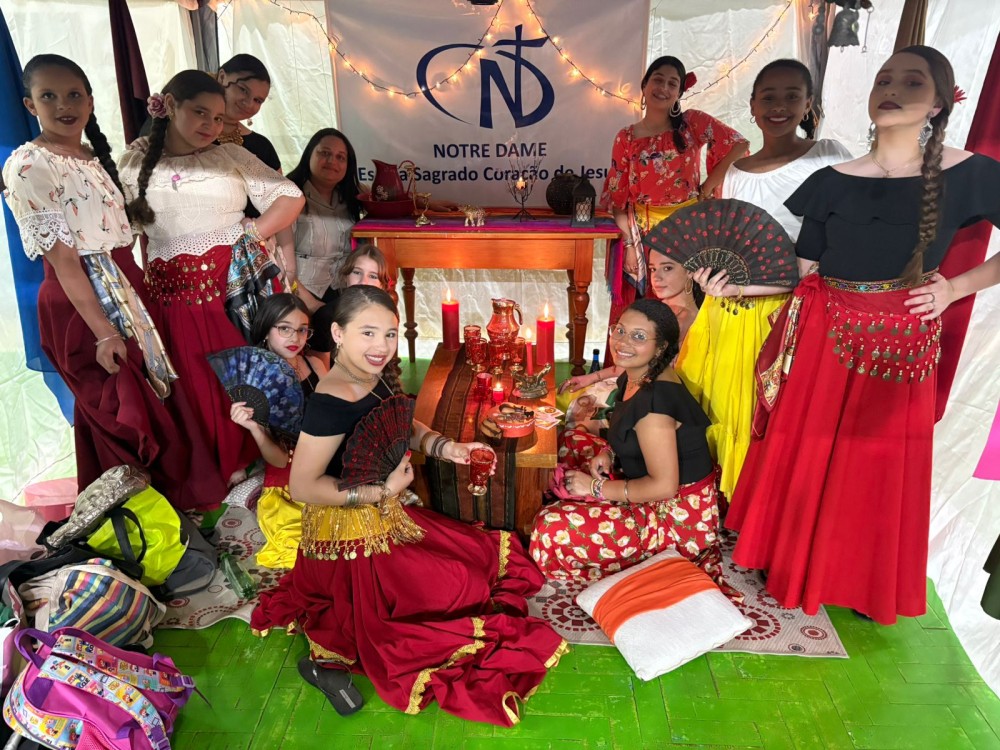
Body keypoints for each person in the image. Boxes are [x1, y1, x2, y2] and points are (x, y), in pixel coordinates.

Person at [727, 46, 1000, 624]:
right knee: (810, 452)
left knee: (877, 463)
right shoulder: (831, 181)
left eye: (911, 82)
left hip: (901, 340)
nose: (891, 89)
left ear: (939, 102)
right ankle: (795, 566)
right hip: (824, 334)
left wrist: (954, 289)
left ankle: (863, 583)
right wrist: (738, 286)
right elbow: (801, 275)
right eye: (883, 79)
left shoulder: (969, 173)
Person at [250, 286, 566, 725]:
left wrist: (449, 448)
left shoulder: (369, 373)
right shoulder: (330, 401)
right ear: (338, 333)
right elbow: (303, 486)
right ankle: (329, 663)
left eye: (389, 334)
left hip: (386, 513)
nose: (381, 346)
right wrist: (383, 491)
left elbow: (400, 421)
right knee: (460, 589)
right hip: (348, 538)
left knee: (474, 565)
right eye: (367, 333)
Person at [1, 55, 226, 508]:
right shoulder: (29, 164)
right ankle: (129, 514)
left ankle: (163, 509)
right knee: (120, 410)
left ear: (90, 101)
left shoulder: (91, 157)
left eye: (74, 95)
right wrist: (104, 332)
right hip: (81, 302)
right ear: (30, 105)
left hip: (126, 286)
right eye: (49, 96)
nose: (64, 105)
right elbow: (64, 262)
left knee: (155, 398)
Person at [118, 70, 304, 493]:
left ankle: (247, 456)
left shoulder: (229, 156)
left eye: (218, 117)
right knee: (190, 382)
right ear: (169, 105)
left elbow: (291, 197)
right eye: (200, 112)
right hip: (170, 293)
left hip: (231, 290)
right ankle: (209, 466)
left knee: (235, 376)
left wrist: (252, 233)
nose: (211, 125)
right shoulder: (135, 160)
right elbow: (122, 231)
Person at [676, 59, 852, 501]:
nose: (779, 106)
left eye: (792, 96)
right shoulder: (737, 171)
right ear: (752, 105)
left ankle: (759, 508)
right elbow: (733, 238)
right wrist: (709, 274)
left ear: (808, 104)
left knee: (769, 410)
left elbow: (842, 236)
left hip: (791, 310)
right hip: (729, 308)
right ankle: (716, 503)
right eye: (768, 97)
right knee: (719, 403)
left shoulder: (828, 155)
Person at [529, 299, 736, 599]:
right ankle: (582, 499)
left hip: (672, 520)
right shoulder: (637, 373)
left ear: (661, 347)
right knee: (571, 440)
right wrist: (610, 453)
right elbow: (628, 430)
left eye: (639, 336)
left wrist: (596, 488)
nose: (623, 342)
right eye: (620, 330)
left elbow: (664, 487)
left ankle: (608, 528)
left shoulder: (655, 408)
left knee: (549, 528)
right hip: (648, 484)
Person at [601, 55, 748, 363]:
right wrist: (629, 245)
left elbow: (738, 145)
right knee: (644, 311)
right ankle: (634, 376)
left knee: (687, 307)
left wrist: (707, 187)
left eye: (672, 83)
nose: (664, 88)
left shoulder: (692, 123)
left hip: (688, 235)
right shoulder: (626, 137)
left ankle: (683, 375)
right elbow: (618, 198)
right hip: (643, 235)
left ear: (679, 93)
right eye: (658, 79)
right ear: (644, 85)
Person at [230, 293, 328, 569]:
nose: (295, 337)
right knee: (306, 547)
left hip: (326, 463)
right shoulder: (254, 381)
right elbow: (278, 460)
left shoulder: (315, 365)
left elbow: (334, 418)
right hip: (288, 478)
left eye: (302, 329)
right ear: (266, 330)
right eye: (284, 328)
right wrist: (254, 429)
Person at [286, 128, 364, 311]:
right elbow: (278, 261)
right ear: (309, 155)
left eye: (340, 157)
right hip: (300, 297)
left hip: (343, 292)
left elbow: (388, 199)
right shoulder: (289, 195)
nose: (332, 162)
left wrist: (426, 203)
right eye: (325, 153)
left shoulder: (351, 195)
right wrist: (311, 304)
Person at [308, 244, 390, 367]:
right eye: (357, 272)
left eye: (373, 276)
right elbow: (320, 368)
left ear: (382, 285)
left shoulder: (386, 316)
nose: (363, 281)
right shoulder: (326, 316)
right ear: (345, 276)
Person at [215, 54, 279, 171]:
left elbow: (278, 183)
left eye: (257, 100)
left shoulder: (263, 147)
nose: (249, 104)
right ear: (222, 77)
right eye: (243, 90)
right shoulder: (191, 133)